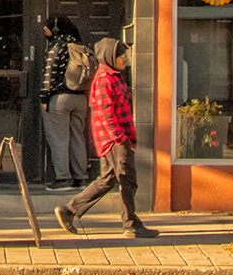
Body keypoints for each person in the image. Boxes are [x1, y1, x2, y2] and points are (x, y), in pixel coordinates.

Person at [54, 38, 159, 239]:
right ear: (110, 57)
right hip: (114, 140)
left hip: (117, 139)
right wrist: (120, 139)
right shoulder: (105, 79)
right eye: (121, 56)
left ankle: (69, 210)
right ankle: (131, 224)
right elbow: (105, 113)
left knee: (108, 179)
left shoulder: (115, 76)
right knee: (127, 180)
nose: (125, 60)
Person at [40, 15, 90, 192]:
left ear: (55, 29)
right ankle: (81, 178)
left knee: (58, 139)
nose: (44, 31)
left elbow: (49, 74)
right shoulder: (79, 45)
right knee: (78, 137)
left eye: (46, 27)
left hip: (60, 98)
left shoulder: (56, 46)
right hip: (81, 98)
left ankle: (63, 178)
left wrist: (44, 98)